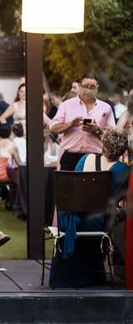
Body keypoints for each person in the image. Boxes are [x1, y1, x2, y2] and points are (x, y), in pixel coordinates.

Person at [49, 127, 130, 288]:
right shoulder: (122, 169)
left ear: (103, 144)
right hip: (99, 222)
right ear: (122, 149)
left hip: (72, 218)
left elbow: (74, 189)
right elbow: (121, 197)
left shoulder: (86, 158)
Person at [49, 73, 116, 171]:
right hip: (70, 156)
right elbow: (53, 128)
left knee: (92, 186)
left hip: (94, 157)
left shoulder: (105, 108)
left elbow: (113, 137)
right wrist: (70, 124)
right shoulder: (67, 105)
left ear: (97, 88)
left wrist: (97, 130)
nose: (88, 90)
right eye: (85, 86)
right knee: (68, 185)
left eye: (92, 87)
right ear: (80, 86)